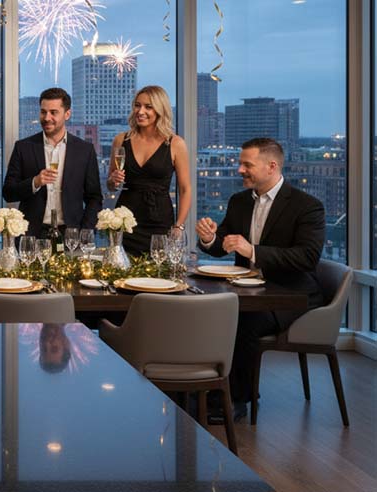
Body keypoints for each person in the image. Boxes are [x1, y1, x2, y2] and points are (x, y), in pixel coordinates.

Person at [196, 137, 325, 422]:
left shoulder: (307, 206)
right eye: (240, 163)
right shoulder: (239, 201)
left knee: (244, 321)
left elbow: (306, 258)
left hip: (291, 294)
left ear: (272, 166)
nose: (240, 169)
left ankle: (238, 400)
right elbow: (224, 245)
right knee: (210, 314)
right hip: (248, 291)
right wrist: (208, 239)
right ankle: (203, 388)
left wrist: (252, 251)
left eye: (246, 164)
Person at [3, 87, 102, 238]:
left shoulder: (85, 150)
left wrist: (86, 232)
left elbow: (94, 198)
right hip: (32, 235)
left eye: (53, 112)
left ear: (67, 114)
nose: (47, 117)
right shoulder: (23, 147)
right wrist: (35, 182)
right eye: (43, 112)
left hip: (71, 235)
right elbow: (8, 193)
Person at [106, 85, 191, 256]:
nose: (140, 111)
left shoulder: (175, 143)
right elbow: (111, 185)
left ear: (160, 109)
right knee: (122, 273)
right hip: (125, 218)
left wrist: (179, 225)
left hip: (159, 219)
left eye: (148, 106)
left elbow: (185, 189)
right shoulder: (121, 140)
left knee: (158, 273)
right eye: (137, 105)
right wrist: (113, 180)